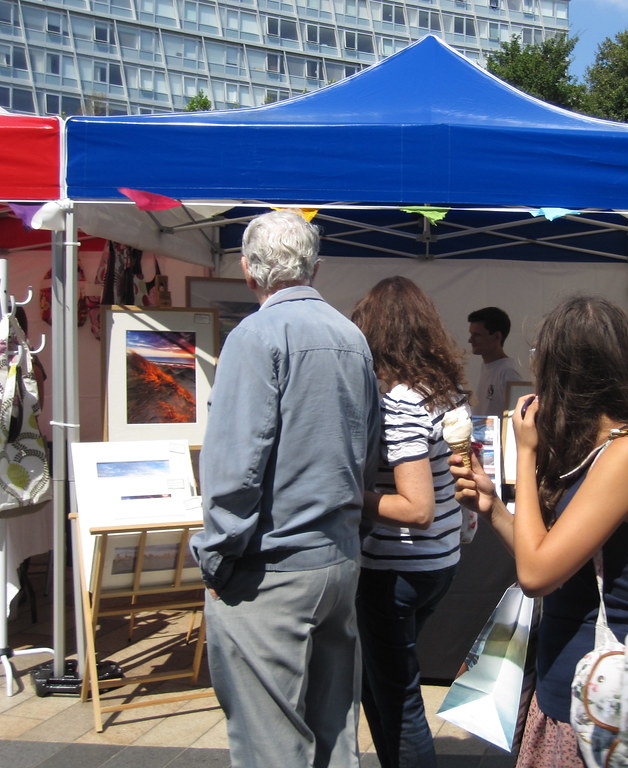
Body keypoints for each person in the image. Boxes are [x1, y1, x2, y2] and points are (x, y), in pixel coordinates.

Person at [449, 296, 628, 767]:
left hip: (599, 695)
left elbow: (535, 575)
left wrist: (526, 454)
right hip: (568, 682)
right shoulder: (596, 449)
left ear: (567, 371)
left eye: (541, 360)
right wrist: (492, 505)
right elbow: (550, 561)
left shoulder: (625, 455)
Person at [190, 210, 381, 768]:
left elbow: (234, 468)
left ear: (248, 271)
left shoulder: (254, 336)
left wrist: (218, 556)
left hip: (271, 568)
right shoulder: (351, 336)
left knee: (271, 745)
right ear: (315, 268)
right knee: (332, 735)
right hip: (337, 560)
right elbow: (367, 453)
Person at [350, 276, 468, 768]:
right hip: (439, 561)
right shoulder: (445, 391)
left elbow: (414, 508)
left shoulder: (399, 401)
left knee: (397, 696)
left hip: (396, 568)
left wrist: (349, 497)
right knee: (378, 685)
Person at [467, 306, 524, 417]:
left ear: (497, 336)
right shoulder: (486, 366)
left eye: (477, 335)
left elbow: (517, 418)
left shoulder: (508, 373)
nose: (470, 340)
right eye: (471, 334)